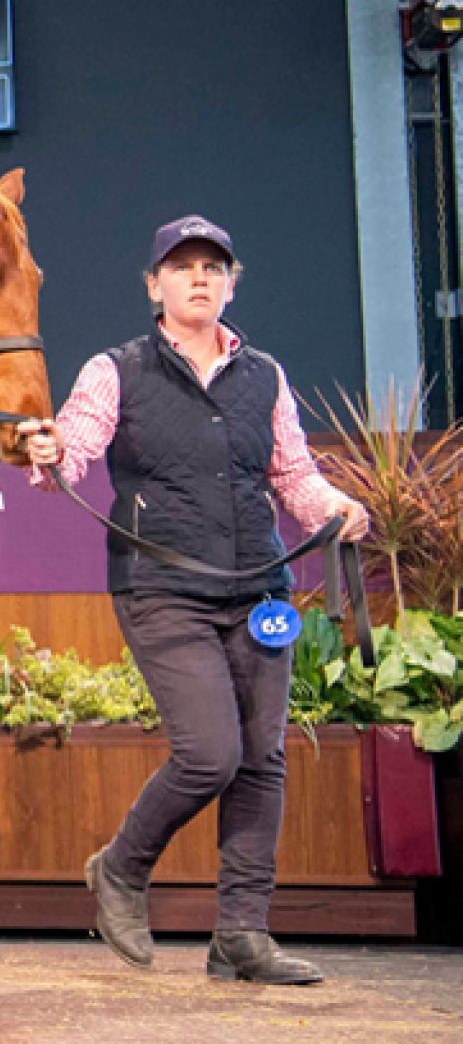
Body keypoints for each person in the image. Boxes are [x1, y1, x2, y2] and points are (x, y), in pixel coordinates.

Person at [19, 216, 369, 986]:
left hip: (258, 589)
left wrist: (335, 508)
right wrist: (46, 452)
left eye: (213, 266)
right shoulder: (115, 370)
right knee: (211, 752)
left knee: (262, 760)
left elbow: (294, 474)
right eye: (182, 267)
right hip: (163, 587)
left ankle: (242, 933)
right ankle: (120, 866)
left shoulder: (265, 376)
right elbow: (72, 448)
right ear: (154, 285)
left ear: (232, 281)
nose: (199, 278)